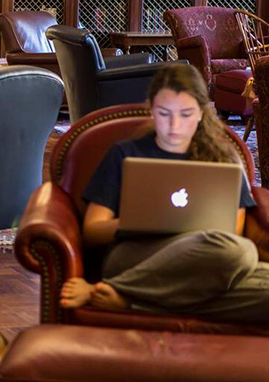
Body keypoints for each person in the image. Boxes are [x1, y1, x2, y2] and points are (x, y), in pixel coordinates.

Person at [60, 62, 269, 323]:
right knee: (241, 253)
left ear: (202, 113)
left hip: (205, 260)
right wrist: (141, 221)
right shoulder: (124, 154)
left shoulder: (223, 159)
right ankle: (126, 287)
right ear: (150, 109)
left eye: (185, 114)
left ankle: (127, 300)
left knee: (239, 254)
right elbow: (92, 230)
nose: (174, 126)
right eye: (164, 113)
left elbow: (233, 230)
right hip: (136, 258)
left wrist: (189, 231)